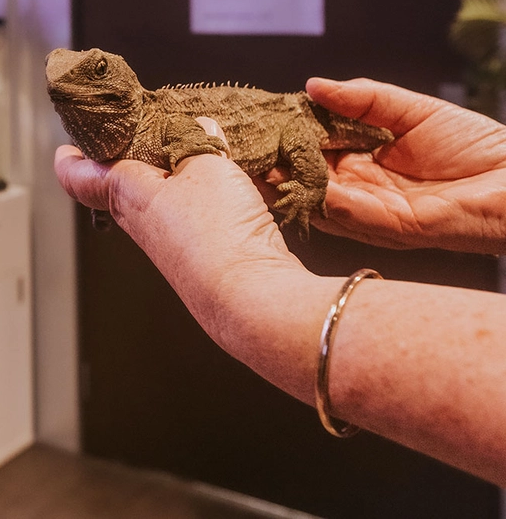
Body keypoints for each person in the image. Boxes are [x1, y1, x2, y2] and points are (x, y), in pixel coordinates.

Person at [54, 74, 506, 486]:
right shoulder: (137, 136)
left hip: (291, 122)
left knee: (298, 146)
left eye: (93, 74)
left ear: (123, 86)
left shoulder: (164, 125)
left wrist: (246, 273)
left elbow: (201, 155)